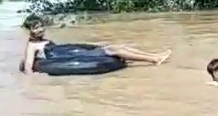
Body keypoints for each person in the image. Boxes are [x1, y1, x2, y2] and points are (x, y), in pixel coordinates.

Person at [20, 14, 171, 74]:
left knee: (118, 47)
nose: (40, 30)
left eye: (41, 26)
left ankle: (154, 56)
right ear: (29, 31)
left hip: (83, 55)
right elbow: (28, 67)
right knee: (114, 48)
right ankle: (154, 58)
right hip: (85, 57)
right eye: (36, 28)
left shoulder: (45, 42)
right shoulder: (32, 46)